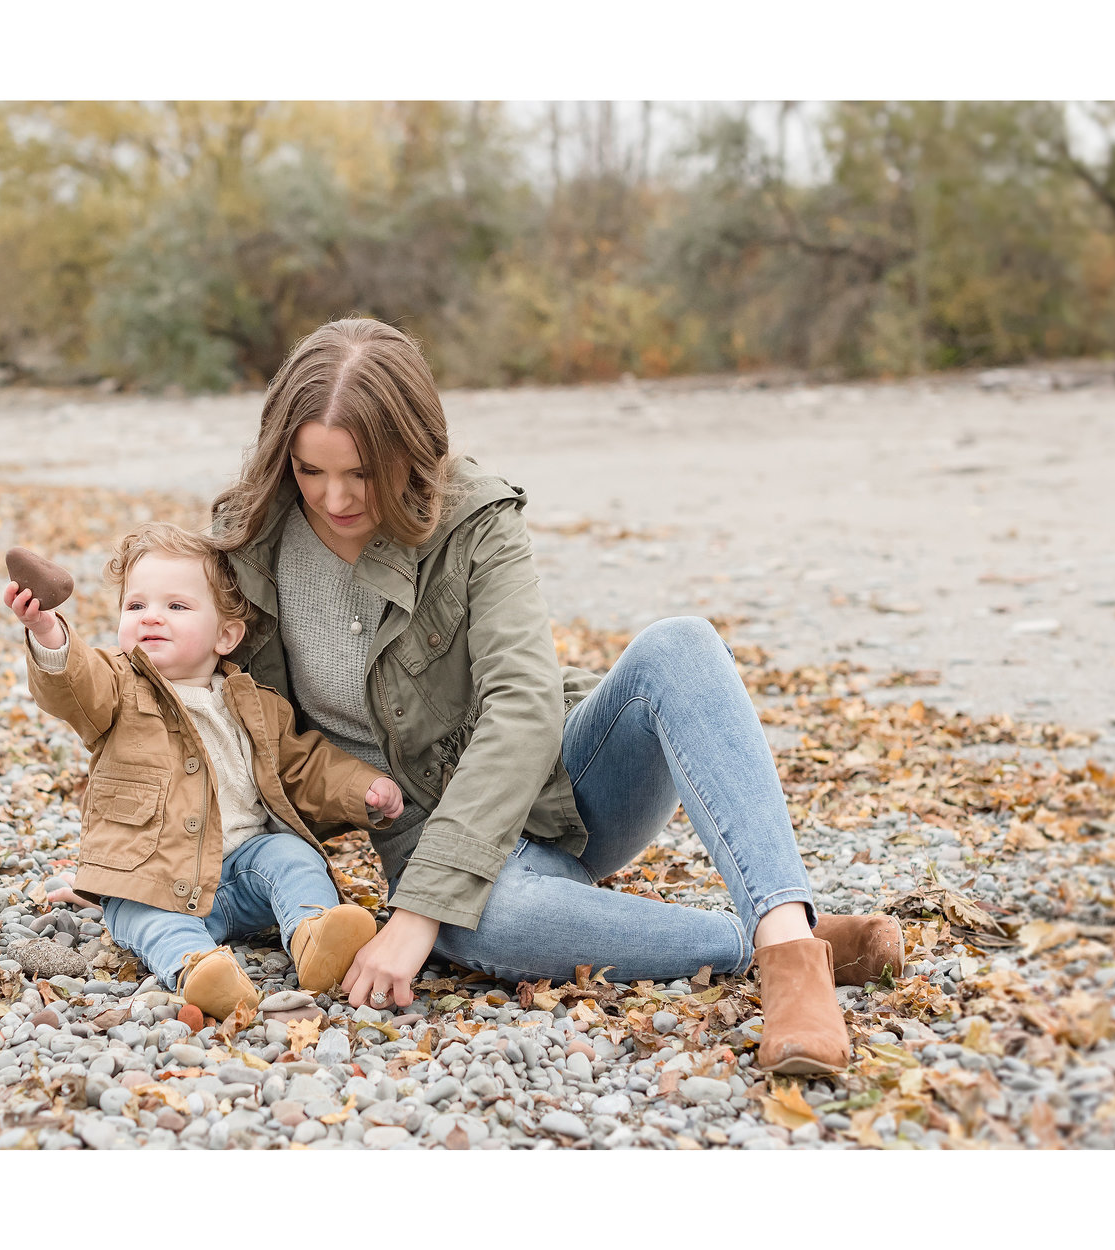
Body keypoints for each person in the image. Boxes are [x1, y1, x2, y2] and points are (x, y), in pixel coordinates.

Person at [208, 318, 903, 1075]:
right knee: (490, 924)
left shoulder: (474, 517)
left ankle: (788, 950)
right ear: (285, 456)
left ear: (412, 450)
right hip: (431, 833)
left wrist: (414, 918)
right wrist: (140, 866)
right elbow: (196, 709)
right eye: (312, 472)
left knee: (681, 645)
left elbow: (523, 701)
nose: (336, 498)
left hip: (563, 782)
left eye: (363, 473)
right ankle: (766, 943)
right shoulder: (251, 544)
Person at [6, 522, 406, 1022]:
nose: (152, 617)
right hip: (152, 880)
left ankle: (312, 933)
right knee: (144, 917)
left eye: (176, 606)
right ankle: (198, 969)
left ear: (226, 635)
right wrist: (49, 631)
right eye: (136, 606)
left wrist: (362, 786)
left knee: (290, 854)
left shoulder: (254, 704)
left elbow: (303, 763)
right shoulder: (118, 687)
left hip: (244, 872)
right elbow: (75, 683)